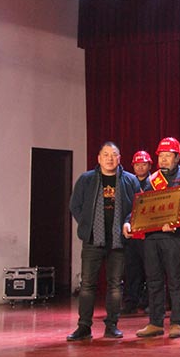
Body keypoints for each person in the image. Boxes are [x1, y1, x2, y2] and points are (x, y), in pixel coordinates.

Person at [123, 137, 180, 339]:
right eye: (161, 156)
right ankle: (155, 323)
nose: (164, 159)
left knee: (175, 280)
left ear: (177, 157)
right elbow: (141, 204)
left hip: (174, 236)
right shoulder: (152, 180)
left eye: (168, 155)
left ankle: (176, 322)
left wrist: (175, 221)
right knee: (154, 280)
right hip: (152, 237)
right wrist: (129, 221)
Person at [67, 142, 139, 341]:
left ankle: (112, 325)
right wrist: (87, 225)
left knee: (115, 285)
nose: (109, 158)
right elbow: (75, 205)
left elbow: (138, 206)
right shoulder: (86, 179)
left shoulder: (130, 180)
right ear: (98, 158)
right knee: (87, 284)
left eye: (113, 154)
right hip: (92, 240)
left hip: (118, 241)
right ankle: (84, 327)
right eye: (105, 154)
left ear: (119, 158)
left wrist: (128, 222)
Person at [122, 150, 152, 315]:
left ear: (149, 166)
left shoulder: (155, 182)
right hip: (131, 231)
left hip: (149, 232)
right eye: (137, 164)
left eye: (144, 164)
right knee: (131, 270)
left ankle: (149, 302)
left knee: (151, 270)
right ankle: (130, 302)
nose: (140, 167)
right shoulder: (126, 181)